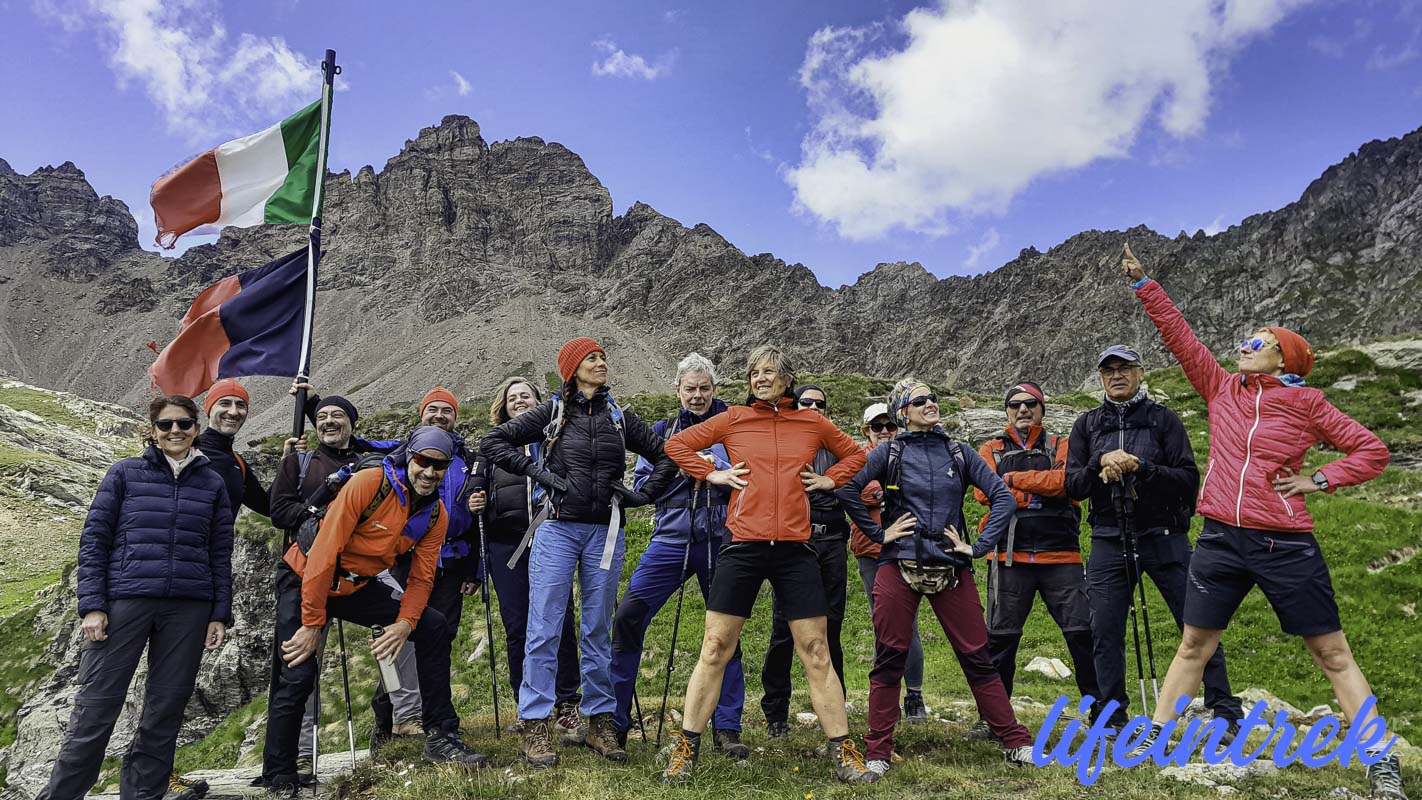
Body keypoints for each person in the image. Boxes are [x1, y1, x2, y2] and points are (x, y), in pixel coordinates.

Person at [1119, 245, 1404, 800]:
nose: (1243, 349)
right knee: (1193, 645)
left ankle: (1380, 760)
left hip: (1285, 542)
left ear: (1284, 359)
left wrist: (1316, 482)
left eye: (1257, 343)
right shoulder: (1224, 389)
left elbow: (1372, 451)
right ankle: (1155, 737)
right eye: (1245, 342)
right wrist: (1144, 284)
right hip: (1221, 537)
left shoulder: (1310, 405)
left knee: (1332, 653)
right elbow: (1182, 340)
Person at [658, 345, 876, 785]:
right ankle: (685, 750)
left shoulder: (812, 421)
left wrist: (830, 479)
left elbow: (857, 455)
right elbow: (676, 444)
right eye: (755, 372)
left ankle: (845, 753)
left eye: (770, 372)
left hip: (796, 549)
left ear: (787, 379)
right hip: (742, 545)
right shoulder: (736, 418)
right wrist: (711, 474)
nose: (760, 378)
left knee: (816, 651)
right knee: (716, 647)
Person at [481, 338, 677, 768]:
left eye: (604, 357)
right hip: (555, 530)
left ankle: (600, 723)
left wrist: (642, 496)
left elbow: (667, 455)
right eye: (592, 358)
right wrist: (537, 472)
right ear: (572, 369)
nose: (601, 363)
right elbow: (493, 442)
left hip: (604, 531)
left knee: (596, 630)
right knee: (544, 627)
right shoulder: (552, 413)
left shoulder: (619, 417)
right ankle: (535, 724)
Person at [260, 427, 486, 798]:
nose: (429, 472)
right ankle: (279, 773)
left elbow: (421, 577)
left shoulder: (435, 514)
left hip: (356, 584)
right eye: (423, 462)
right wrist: (313, 624)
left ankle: (442, 735)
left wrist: (404, 623)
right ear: (408, 457)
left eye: (439, 466)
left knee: (432, 626)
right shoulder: (369, 483)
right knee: (298, 669)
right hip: (305, 575)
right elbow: (323, 553)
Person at [37, 395, 233, 800]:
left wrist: (219, 613)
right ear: (153, 431)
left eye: (183, 424)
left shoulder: (212, 482)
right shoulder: (124, 474)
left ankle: (142, 795)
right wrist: (92, 605)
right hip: (126, 601)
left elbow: (220, 552)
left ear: (196, 428)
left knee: (165, 710)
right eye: (166, 425)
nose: (174, 431)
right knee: (96, 708)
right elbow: (94, 541)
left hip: (189, 607)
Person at [838, 379, 1035, 776]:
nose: (931, 404)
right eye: (920, 400)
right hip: (898, 563)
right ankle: (877, 751)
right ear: (903, 412)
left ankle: (1015, 741)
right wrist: (879, 535)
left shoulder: (959, 452)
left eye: (933, 398)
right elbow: (847, 488)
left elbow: (1003, 496)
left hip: (951, 564)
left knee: (977, 655)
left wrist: (977, 547)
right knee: (889, 657)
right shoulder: (889, 452)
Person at [1065, 343, 1245, 732]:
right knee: (1105, 629)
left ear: (1140, 373)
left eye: (1124, 368)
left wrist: (1141, 467)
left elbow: (1186, 481)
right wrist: (1100, 463)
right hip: (1109, 538)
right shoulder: (1087, 425)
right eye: (1108, 369)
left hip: (1165, 538)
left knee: (1197, 623)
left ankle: (1225, 711)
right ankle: (1111, 717)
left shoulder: (1164, 420)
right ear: (1100, 377)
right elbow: (1072, 486)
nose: (1116, 375)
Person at [608, 353, 747, 754]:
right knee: (629, 617)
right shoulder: (661, 431)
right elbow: (644, 485)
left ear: (715, 390)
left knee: (725, 634)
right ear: (678, 390)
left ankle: (727, 726)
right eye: (691, 389)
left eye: (705, 388)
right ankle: (616, 720)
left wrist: (715, 466)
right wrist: (689, 469)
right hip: (670, 540)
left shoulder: (736, 427)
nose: (698, 396)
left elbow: (750, 478)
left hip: (723, 539)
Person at [969, 382, 1100, 737]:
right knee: (1000, 641)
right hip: (1009, 557)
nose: (1023, 410)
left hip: (1061, 555)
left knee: (1082, 635)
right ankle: (994, 719)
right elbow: (984, 491)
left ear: (1042, 408)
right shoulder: (990, 448)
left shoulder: (1061, 444)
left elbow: (1066, 484)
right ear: (1007, 410)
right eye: (1015, 404)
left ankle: (1103, 716)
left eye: (1031, 404)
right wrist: (1034, 489)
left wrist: (1010, 480)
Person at [359, 388, 481, 744]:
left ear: (455, 418)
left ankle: (430, 717)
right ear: (421, 414)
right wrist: (314, 407)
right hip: (404, 558)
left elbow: (476, 524)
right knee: (394, 636)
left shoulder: (468, 459)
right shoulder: (402, 453)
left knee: (438, 637)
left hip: (452, 561)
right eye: (433, 409)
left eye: (447, 411)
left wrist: (475, 570)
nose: (440, 415)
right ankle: (388, 717)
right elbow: (354, 440)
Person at [473, 376, 583, 739]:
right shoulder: (491, 447)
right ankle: (528, 705)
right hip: (506, 546)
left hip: (552, 538)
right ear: (502, 407)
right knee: (518, 624)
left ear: (539, 401)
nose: (519, 401)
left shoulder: (556, 438)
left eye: (526, 396)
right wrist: (474, 498)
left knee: (560, 620)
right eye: (512, 398)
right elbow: (474, 486)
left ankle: (567, 703)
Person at [266, 393, 365, 783]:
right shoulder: (299, 462)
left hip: (354, 573)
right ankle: (287, 766)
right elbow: (279, 513)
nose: (328, 422)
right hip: (303, 570)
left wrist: (309, 396)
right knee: (297, 667)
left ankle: (405, 721)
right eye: (321, 416)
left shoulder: (365, 462)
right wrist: (321, 507)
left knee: (407, 628)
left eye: (337, 415)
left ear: (351, 423)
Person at [760, 384, 850, 738]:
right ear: (794, 405)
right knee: (784, 628)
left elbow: (860, 480)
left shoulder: (837, 445)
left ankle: (836, 710)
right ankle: (776, 713)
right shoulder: (786, 442)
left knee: (832, 627)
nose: (814, 407)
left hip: (832, 541)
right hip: (795, 542)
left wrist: (833, 482)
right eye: (806, 402)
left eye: (820, 403)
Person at [850, 403, 928, 725]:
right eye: (877, 426)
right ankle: (887, 698)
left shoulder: (911, 454)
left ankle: (914, 696)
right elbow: (855, 488)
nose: (884, 431)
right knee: (884, 626)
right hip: (871, 552)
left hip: (906, 552)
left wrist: (878, 492)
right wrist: (886, 493)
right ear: (866, 430)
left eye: (890, 426)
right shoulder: (857, 457)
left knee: (907, 625)